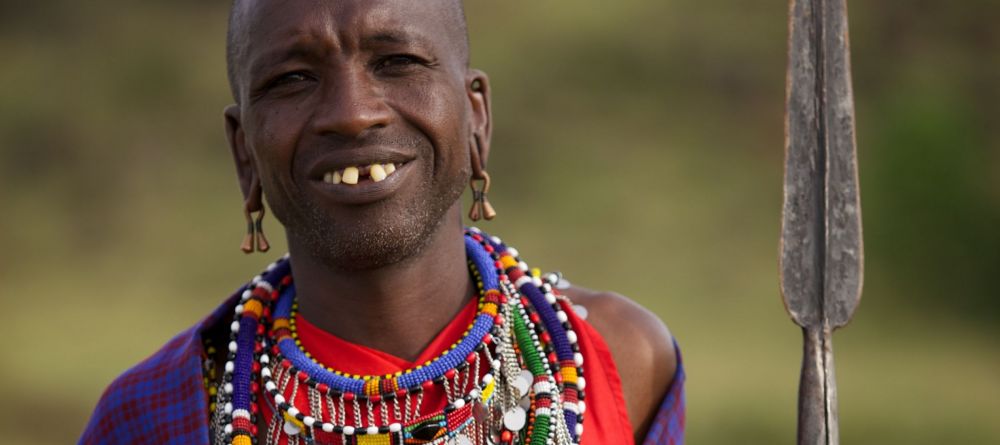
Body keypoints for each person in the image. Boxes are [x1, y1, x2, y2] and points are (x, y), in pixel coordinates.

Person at [80, 0, 685, 444]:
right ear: (245, 152)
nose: (351, 114)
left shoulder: (620, 359)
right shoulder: (151, 417)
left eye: (397, 61)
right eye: (291, 79)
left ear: (476, 116)